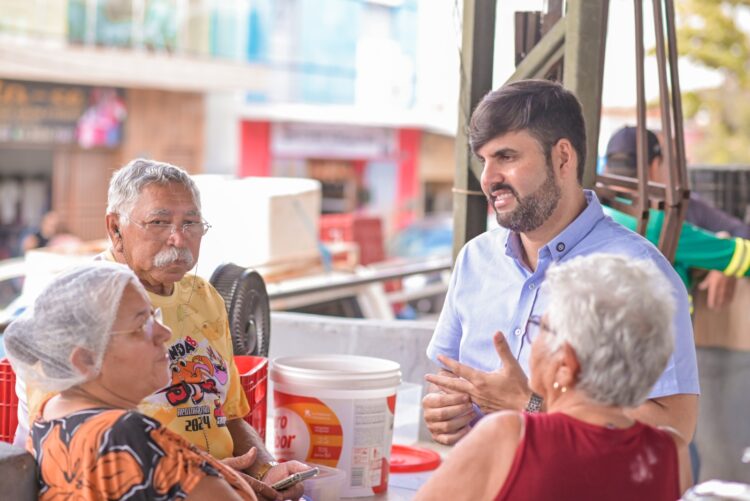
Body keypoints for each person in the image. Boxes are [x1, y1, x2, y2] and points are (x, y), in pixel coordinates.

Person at [422, 79, 698, 447]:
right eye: (483, 160)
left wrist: (531, 405)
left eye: (506, 157)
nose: (488, 178)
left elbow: (675, 431)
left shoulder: (639, 272)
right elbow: (445, 380)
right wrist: (444, 410)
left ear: (562, 158)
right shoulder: (475, 258)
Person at [20, 159, 308, 500]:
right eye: (159, 222)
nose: (178, 238)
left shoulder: (205, 298)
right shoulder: (80, 301)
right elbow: (65, 428)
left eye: (191, 223)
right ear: (115, 228)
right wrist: (194, 473)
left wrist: (265, 470)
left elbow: (228, 416)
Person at [416, 254, 690, 501]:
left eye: (541, 327)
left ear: (566, 365)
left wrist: (527, 404)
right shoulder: (672, 453)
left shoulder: (508, 436)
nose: (533, 341)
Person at [4, 262, 258, 500]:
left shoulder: (48, 418)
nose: (164, 332)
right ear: (85, 359)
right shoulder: (125, 433)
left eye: (154, 316)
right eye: (141, 326)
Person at [605, 125, 750, 309]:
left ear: (607, 168)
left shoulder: (602, 211)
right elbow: (742, 257)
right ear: (655, 165)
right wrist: (721, 256)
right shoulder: (654, 223)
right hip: (667, 327)